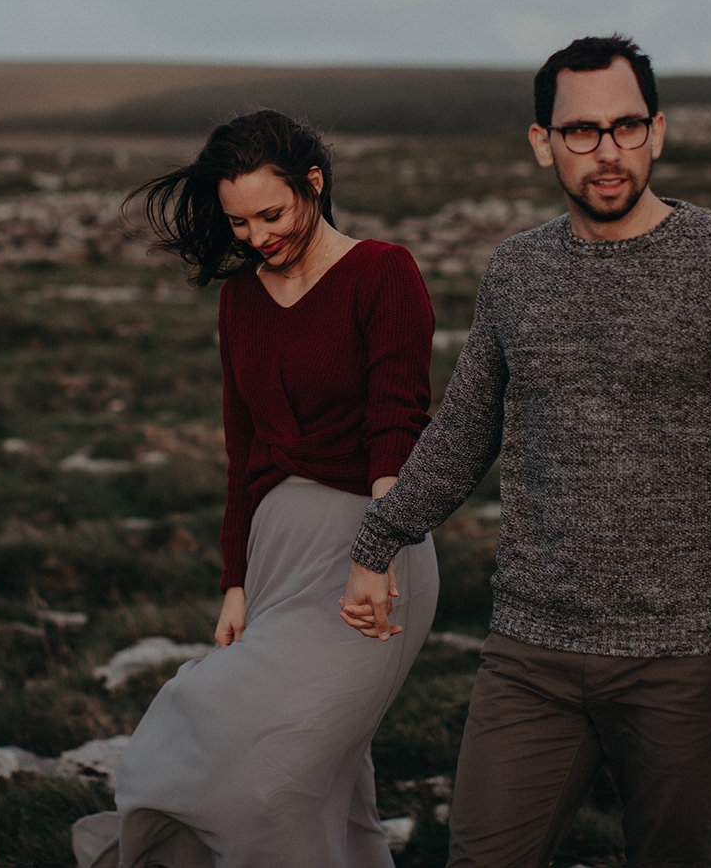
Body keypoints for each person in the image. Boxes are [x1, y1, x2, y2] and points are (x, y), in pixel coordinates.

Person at [340, 35, 711, 868]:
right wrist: (378, 540)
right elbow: (464, 431)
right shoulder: (517, 271)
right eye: (581, 132)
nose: (608, 152)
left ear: (658, 132)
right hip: (532, 650)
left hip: (686, 660)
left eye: (627, 126)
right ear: (543, 143)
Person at [74, 108, 441, 868]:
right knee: (326, 783)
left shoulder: (383, 272)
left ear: (314, 183)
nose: (257, 237)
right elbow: (244, 452)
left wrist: (379, 549)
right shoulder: (239, 299)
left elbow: (397, 422)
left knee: (267, 776)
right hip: (275, 557)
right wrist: (235, 581)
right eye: (238, 224)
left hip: (369, 550)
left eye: (270, 214)